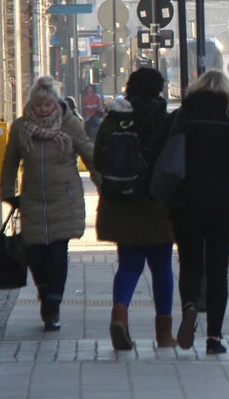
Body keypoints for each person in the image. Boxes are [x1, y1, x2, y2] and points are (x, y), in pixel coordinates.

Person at [157, 70, 229, 354]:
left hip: (185, 204)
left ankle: (189, 304)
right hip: (222, 206)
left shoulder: (181, 117)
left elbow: (158, 153)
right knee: (217, 270)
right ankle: (214, 338)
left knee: (190, 264)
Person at [0, 76, 96, 331]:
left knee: (57, 253)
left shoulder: (70, 125)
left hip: (63, 198)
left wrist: (106, 186)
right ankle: (45, 294)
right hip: (31, 198)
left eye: (47, 105)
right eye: (38, 105)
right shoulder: (21, 127)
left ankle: (52, 306)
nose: (43, 110)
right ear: (32, 105)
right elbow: (10, 162)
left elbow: (89, 155)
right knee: (34, 254)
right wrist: (9, 192)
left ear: (56, 104)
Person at [93, 68, 175, 350]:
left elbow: (98, 158)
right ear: (158, 90)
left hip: (121, 204)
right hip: (156, 204)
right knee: (162, 268)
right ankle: (164, 334)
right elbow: (173, 162)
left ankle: (120, 316)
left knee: (129, 265)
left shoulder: (114, 119)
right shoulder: (163, 120)